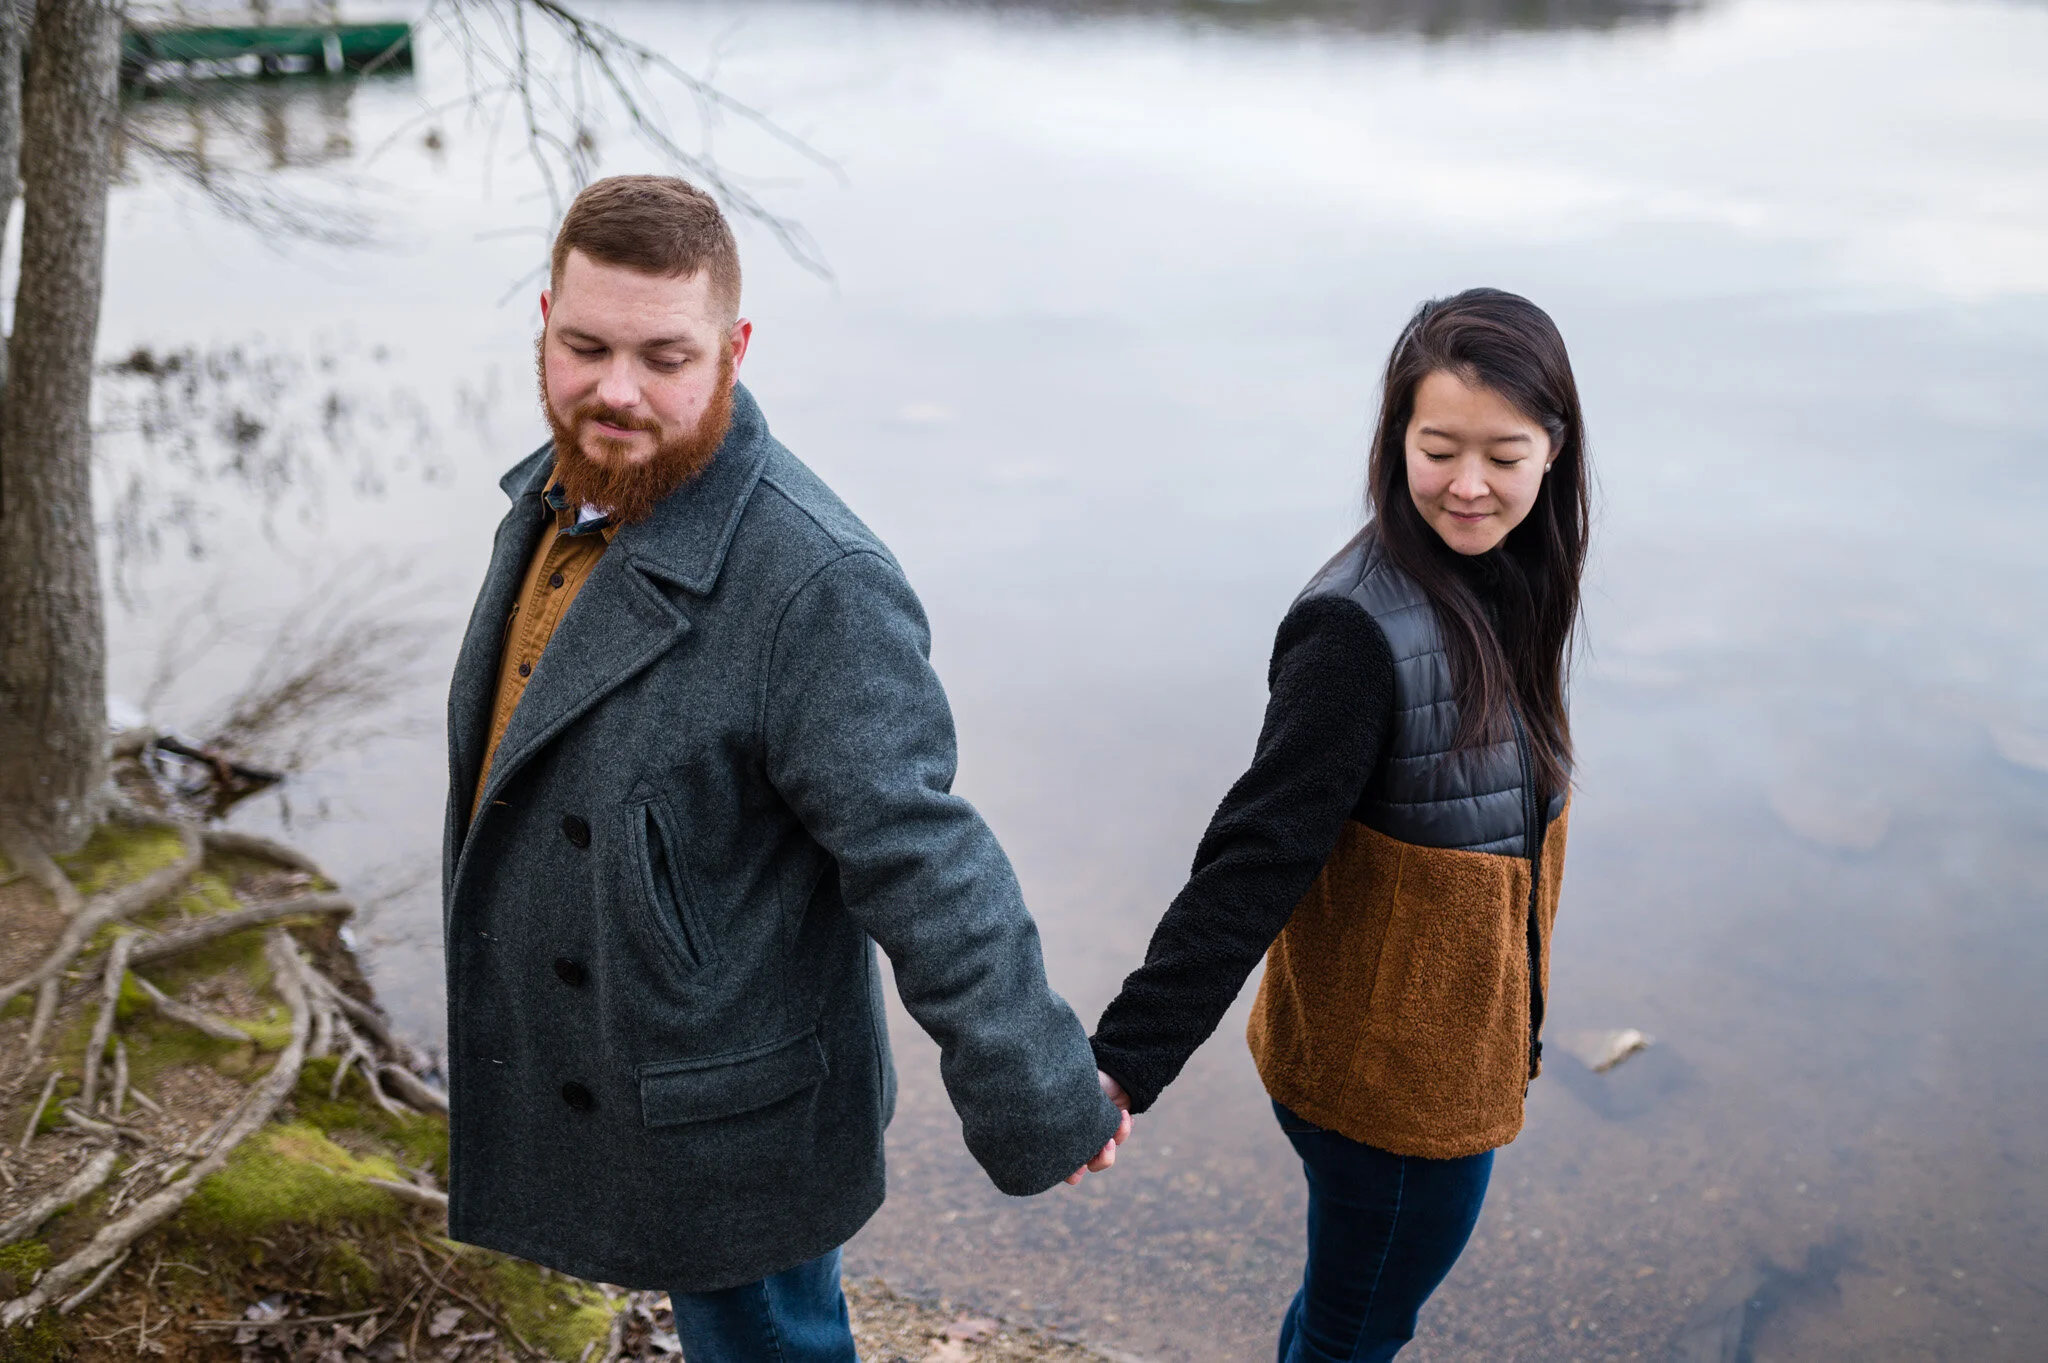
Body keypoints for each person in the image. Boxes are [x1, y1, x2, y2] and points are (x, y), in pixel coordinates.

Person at [441, 175, 1129, 1362]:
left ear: (734, 348)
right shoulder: (559, 492)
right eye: (584, 346)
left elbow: (921, 853)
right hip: (619, 1051)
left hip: (732, 1109)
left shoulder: (811, 579)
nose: (614, 388)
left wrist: (1036, 1084)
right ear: (544, 321)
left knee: (765, 1336)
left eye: (664, 356)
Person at [1090, 288, 1589, 1362]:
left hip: (1417, 1051)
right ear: (1393, 438)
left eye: (1502, 455)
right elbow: (1256, 851)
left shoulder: (1506, 574)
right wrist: (1126, 1060)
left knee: (1346, 1312)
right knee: (1355, 1327)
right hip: (1390, 1088)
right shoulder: (1355, 630)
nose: (1467, 485)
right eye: (1437, 446)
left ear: (1553, 450)